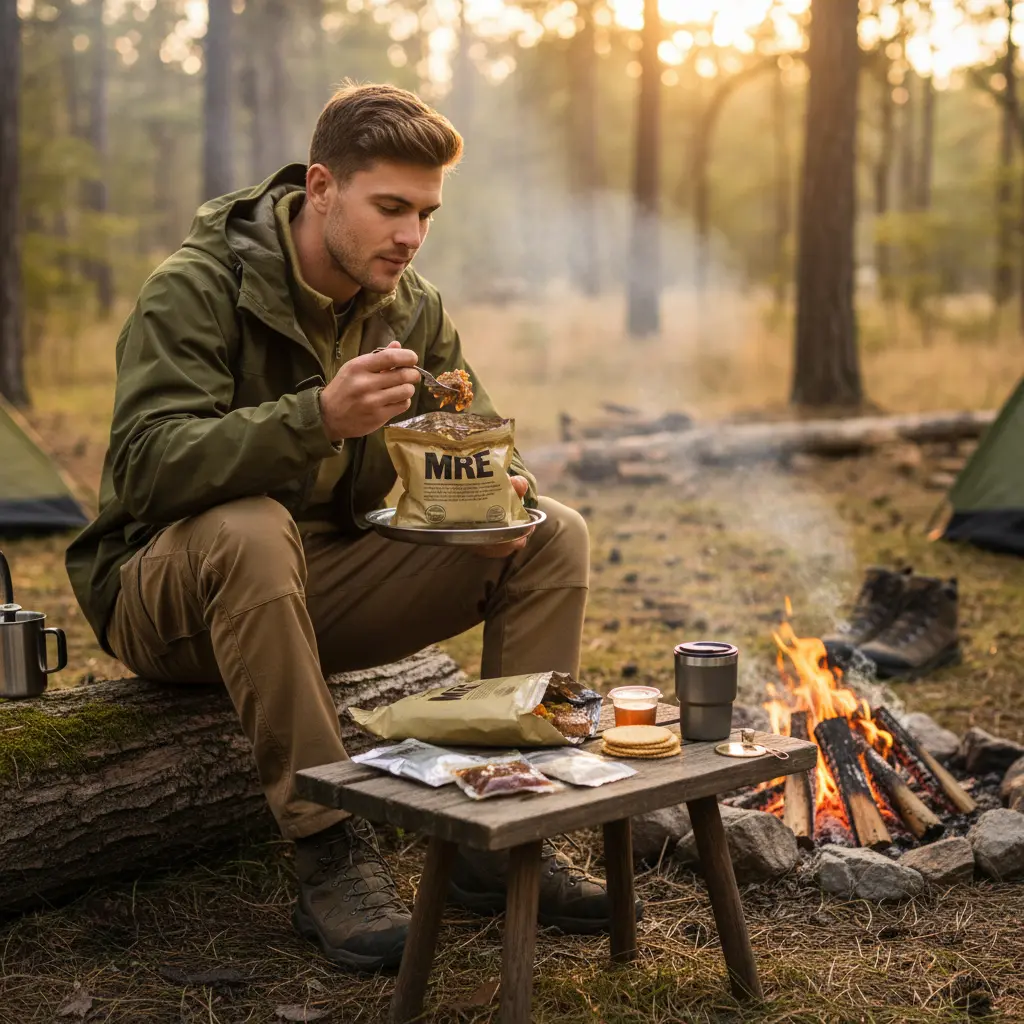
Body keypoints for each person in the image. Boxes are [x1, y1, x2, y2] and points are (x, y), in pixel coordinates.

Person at [66, 82, 638, 972]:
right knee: (252, 529)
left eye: (427, 213)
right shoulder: (194, 288)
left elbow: (471, 438)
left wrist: (496, 496)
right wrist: (315, 419)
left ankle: (501, 836)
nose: (410, 235)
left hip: (316, 582)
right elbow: (144, 469)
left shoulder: (410, 306)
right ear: (322, 187)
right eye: (391, 207)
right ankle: (328, 851)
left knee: (552, 529)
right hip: (168, 592)